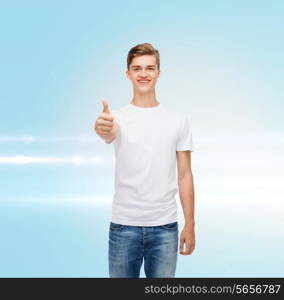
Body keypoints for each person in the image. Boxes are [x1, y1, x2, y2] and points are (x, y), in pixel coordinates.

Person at [94, 42, 195, 278]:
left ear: (158, 73)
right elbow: (107, 132)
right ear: (127, 74)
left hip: (165, 228)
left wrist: (190, 223)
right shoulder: (116, 117)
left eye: (149, 68)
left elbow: (185, 174)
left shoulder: (178, 120)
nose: (143, 74)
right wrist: (101, 127)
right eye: (137, 68)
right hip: (123, 227)